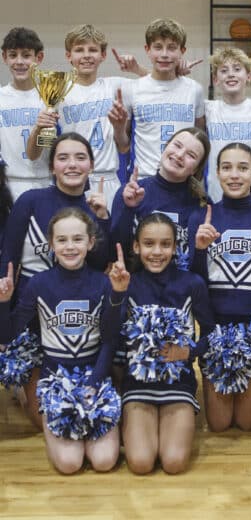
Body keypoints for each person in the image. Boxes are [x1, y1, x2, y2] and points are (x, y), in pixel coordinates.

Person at [0, 208, 129, 474]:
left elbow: (110, 339)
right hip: (55, 380)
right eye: (62, 240)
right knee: (69, 464)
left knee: (104, 461)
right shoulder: (38, 284)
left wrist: (94, 383)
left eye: (78, 239)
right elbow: (6, 336)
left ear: (90, 243)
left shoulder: (104, 283)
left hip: (95, 376)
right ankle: (27, 398)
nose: (70, 247)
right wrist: (3, 303)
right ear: (51, 244)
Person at [0, 132, 111, 427]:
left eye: (80, 157)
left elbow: (100, 264)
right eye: (63, 158)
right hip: (30, 308)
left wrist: (103, 220)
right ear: (52, 167)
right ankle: (24, 385)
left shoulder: (95, 205)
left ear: (91, 164)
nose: (71, 164)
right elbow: (8, 255)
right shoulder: (30, 201)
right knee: (41, 419)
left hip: (75, 315)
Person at [121, 213, 214, 474]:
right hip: (138, 385)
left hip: (178, 383)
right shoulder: (128, 284)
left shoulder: (192, 284)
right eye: (149, 244)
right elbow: (111, 336)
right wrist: (117, 294)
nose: (157, 252)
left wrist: (190, 352)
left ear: (175, 247)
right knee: (140, 464)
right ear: (136, 246)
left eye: (165, 244)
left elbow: (210, 333)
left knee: (174, 463)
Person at [189, 143, 251, 432]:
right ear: (216, 173)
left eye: (242, 168)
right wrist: (199, 251)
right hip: (216, 332)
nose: (234, 175)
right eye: (226, 167)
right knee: (219, 423)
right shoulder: (201, 218)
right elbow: (194, 287)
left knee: (249, 423)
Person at [26, 25, 140, 208]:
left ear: (103, 55)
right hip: (71, 181)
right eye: (79, 50)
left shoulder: (117, 87)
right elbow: (35, 154)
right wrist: (38, 129)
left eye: (93, 50)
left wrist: (138, 69)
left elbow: (160, 81)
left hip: (108, 179)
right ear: (68, 56)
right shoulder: (56, 93)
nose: (86, 55)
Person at [109, 18, 205, 180]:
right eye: (158, 47)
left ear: (182, 50)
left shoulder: (194, 89)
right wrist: (118, 128)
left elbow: (200, 138)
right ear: (147, 49)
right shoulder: (131, 89)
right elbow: (123, 146)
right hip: (144, 179)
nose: (165, 54)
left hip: (182, 180)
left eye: (172, 48)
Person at [111, 126, 210, 266]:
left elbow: (200, 263)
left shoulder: (202, 204)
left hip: (182, 286)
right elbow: (114, 252)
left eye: (191, 155)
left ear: (195, 169)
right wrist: (128, 209)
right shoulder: (130, 192)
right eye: (177, 145)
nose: (180, 155)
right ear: (166, 146)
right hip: (137, 283)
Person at [205, 48, 251, 206]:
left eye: (237, 69)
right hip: (217, 197)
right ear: (215, 79)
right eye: (224, 70)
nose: (231, 74)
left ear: (248, 76)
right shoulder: (207, 109)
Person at [0, 27, 50, 201]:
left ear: (39, 57)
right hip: (8, 184)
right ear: (4, 57)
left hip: (45, 182)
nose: (19, 61)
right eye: (13, 55)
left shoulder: (49, 98)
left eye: (26, 55)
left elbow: (46, 143)